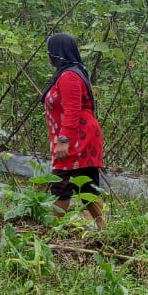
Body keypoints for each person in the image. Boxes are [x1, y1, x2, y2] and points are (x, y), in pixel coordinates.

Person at [42, 33, 105, 229]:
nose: (47, 55)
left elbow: (72, 109)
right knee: (86, 186)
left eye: (49, 51)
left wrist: (63, 139)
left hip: (78, 137)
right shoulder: (69, 73)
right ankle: (103, 228)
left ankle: (52, 230)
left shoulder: (69, 76)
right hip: (78, 136)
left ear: (56, 53)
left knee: (61, 185)